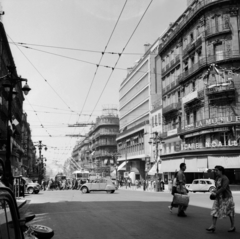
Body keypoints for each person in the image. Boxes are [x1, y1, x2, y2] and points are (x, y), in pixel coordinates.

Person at [206, 165, 235, 233]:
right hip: (219, 197)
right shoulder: (217, 178)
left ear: (221, 171)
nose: (215, 171)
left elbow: (223, 188)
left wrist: (216, 193)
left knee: (230, 212)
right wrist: (214, 191)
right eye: (215, 170)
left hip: (227, 198)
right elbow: (217, 187)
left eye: (217, 170)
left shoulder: (225, 178)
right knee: (214, 210)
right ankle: (213, 226)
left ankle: (232, 226)